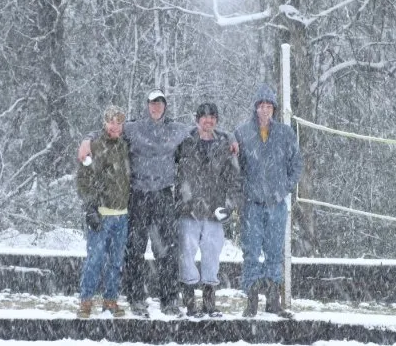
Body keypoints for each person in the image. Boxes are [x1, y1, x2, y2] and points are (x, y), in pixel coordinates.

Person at [78, 89, 238, 317]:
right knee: (135, 249)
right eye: (153, 103)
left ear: (165, 107)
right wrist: (87, 140)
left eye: (160, 104)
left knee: (167, 250)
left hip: (163, 195)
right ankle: (136, 298)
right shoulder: (134, 128)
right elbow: (110, 130)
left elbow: (205, 129)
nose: (156, 108)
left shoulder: (176, 130)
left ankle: (170, 298)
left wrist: (230, 138)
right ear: (147, 105)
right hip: (138, 195)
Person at [234, 84, 303, 318]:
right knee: (251, 251)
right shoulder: (242, 133)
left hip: (276, 204)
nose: (265, 110)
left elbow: (296, 166)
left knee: (275, 252)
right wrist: (243, 192)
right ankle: (251, 300)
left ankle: (273, 299)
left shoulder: (285, 134)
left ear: (274, 108)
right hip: (252, 204)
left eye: (269, 106)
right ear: (255, 108)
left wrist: (284, 188)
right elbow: (236, 167)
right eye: (261, 106)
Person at [175, 103, 241, 317]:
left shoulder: (224, 145)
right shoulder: (183, 142)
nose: (208, 120)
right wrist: (180, 200)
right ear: (197, 120)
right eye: (203, 117)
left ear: (216, 121)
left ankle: (209, 300)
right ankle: (189, 301)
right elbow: (170, 169)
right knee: (186, 254)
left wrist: (229, 206)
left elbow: (233, 178)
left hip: (214, 210)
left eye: (212, 117)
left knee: (212, 254)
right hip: (188, 209)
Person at [76, 105, 130, 318]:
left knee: (116, 262)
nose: (115, 126)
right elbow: (83, 179)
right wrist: (90, 208)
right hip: (101, 214)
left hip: (122, 215)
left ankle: (110, 300)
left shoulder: (126, 144)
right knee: (95, 259)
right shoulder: (95, 146)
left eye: (119, 122)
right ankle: (86, 301)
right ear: (104, 122)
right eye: (111, 122)